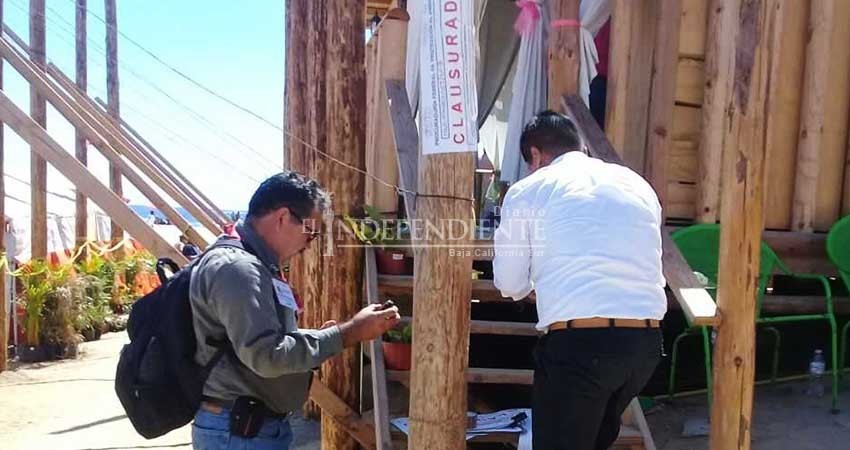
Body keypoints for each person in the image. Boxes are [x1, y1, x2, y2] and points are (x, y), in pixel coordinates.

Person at [492, 111, 666, 450]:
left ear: (536, 155)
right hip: (645, 343)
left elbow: (510, 284)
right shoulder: (635, 182)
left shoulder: (529, 189)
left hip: (583, 346)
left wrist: (539, 282)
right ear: (580, 146)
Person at [189, 171, 400, 450]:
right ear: (282, 218)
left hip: (248, 428)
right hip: (239, 433)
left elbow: (258, 341)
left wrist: (318, 338)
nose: (309, 244)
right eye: (311, 232)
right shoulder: (239, 269)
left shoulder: (253, 263)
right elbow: (267, 356)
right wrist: (349, 332)